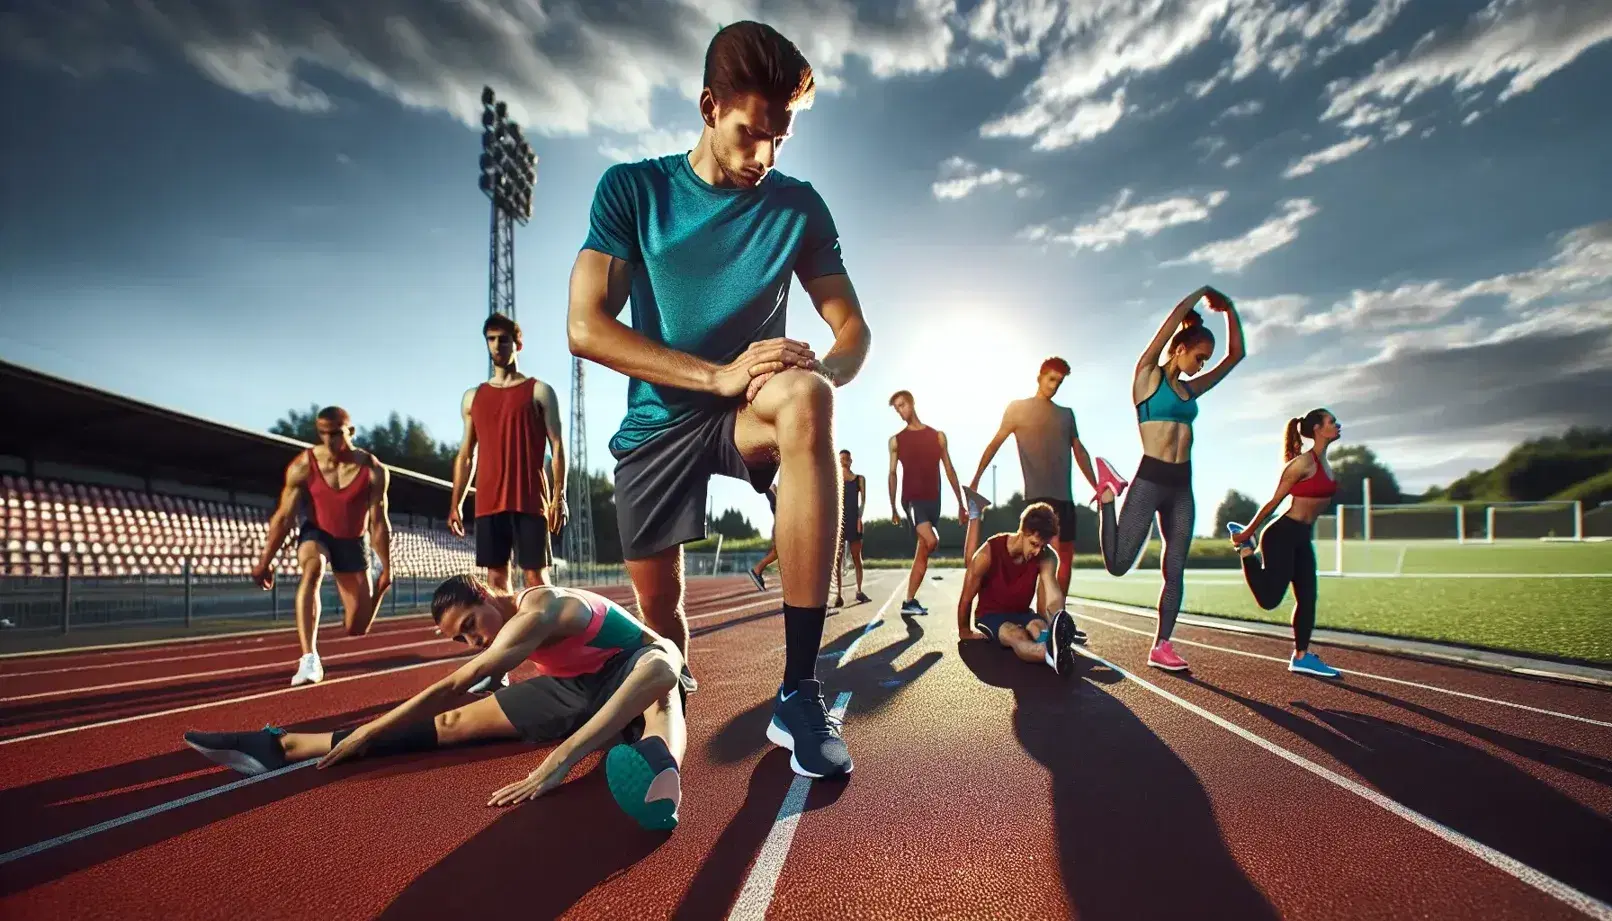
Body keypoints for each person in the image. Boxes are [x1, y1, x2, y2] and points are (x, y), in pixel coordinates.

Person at [566, 22, 871, 780]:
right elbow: (585, 326)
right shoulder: (633, 190)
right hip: (660, 421)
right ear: (708, 106)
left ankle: (799, 691)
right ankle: (666, 686)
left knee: (805, 401)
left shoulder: (798, 207)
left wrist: (821, 378)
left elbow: (852, 328)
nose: (763, 157)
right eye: (749, 133)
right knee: (662, 620)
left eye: (780, 138)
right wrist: (716, 373)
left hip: (751, 410)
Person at [183, 576, 688, 830]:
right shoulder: (508, 632)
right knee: (454, 723)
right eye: (462, 639)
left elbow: (461, 678)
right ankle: (289, 745)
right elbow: (455, 696)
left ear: (490, 595)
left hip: (632, 667)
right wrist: (362, 737)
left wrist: (561, 760)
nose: (473, 641)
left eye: (470, 625)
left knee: (662, 678)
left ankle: (661, 776)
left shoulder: (542, 608)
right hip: (574, 691)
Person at [1090, 286, 1246, 672]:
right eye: (1198, 357)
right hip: (1150, 479)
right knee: (1118, 563)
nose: (1201, 365)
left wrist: (1230, 311)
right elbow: (1177, 314)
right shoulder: (1148, 376)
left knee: (1174, 567)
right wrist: (1204, 293)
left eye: (1205, 360)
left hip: (1181, 485)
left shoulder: (1191, 390)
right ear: (1179, 348)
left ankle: (1162, 645)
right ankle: (1108, 493)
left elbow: (1236, 356)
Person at [251, 407, 392, 687]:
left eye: (337, 434)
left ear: (350, 432)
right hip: (317, 533)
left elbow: (379, 521)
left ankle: (378, 587)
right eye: (323, 434)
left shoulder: (373, 470)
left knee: (357, 628)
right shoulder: (303, 465)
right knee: (313, 568)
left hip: (353, 540)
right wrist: (265, 561)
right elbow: (283, 517)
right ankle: (309, 658)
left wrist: (387, 567)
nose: (330, 441)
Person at [967, 356, 1099, 638]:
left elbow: (1080, 450)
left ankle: (1058, 619)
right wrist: (976, 478)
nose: (1054, 386)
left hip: (1065, 495)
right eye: (1051, 379)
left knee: (1065, 558)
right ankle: (1043, 621)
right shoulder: (1018, 409)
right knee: (1041, 557)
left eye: (1060, 382)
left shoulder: (1066, 414)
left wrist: (1096, 485)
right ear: (1039, 376)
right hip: (1038, 497)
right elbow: (995, 443)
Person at [448, 313, 567, 593]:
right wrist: (456, 503)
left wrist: (559, 496)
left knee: (536, 580)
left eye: (503, 339)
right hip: (489, 503)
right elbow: (466, 455)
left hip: (530, 499)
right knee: (496, 581)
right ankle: (511, 638)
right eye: (491, 340)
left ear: (518, 344)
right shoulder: (472, 397)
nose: (496, 345)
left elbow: (558, 446)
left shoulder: (539, 391)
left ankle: (545, 636)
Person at [1228, 409, 1344, 678]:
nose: (1337, 425)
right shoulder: (1301, 465)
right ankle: (1246, 551)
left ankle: (1301, 656)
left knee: (1308, 598)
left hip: (1303, 536)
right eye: (1331, 422)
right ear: (1317, 428)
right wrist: (1247, 533)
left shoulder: (1327, 466)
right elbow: (1272, 503)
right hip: (1281, 534)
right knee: (1269, 601)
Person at [957, 502, 1081, 675]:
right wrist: (964, 631)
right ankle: (1047, 654)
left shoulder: (1047, 556)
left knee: (1039, 627)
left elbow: (1052, 592)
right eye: (1034, 544)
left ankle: (1051, 647)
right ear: (1022, 532)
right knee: (1017, 634)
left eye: (1042, 546)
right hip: (991, 615)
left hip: (1023, 613)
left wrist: (1059, 620)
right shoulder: (988, 553)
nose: (1038, 551)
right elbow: (966, 597)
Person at [887, 390, 965, 617]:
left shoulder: (938, 436)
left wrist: (960, 502)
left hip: (934, 500)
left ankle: (909, 601)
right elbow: (892, 473)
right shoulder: (896, 441)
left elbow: (949, 469)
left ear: (912, 403)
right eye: (897, 408)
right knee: (931, 541)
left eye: (902, 405)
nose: (901, 411)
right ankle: (909, 602)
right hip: (912, 500)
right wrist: (893, 506)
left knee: (923, 551)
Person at [833, 449, 871, 607]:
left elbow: (863, 501)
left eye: (846, 459)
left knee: (857, 557)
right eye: (841, 459)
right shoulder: (834, 479)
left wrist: (860, 518)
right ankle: (839, 595)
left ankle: (859, 590)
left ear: (850, 461)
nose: (843, 461)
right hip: (839, 523)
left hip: (855, 521)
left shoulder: (859, 479)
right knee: (838, 559)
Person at [749, 483, 780, 591]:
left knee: (778, 552)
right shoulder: (775, 494)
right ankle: (757, 569)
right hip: (782, 524)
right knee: (778, 551)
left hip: (781, 523)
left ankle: (757, 569)